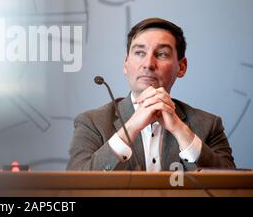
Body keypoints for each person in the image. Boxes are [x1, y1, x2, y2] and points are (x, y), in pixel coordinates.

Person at [67, 17, 235, 171]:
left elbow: (232, 187)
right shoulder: (92, 123)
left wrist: (180, 130)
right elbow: (74, 186)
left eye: (161, 54)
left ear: (181, 67)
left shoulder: (209, 125)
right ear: (126, 64)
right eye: (140, 53)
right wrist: (130, 128)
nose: (148, 64)